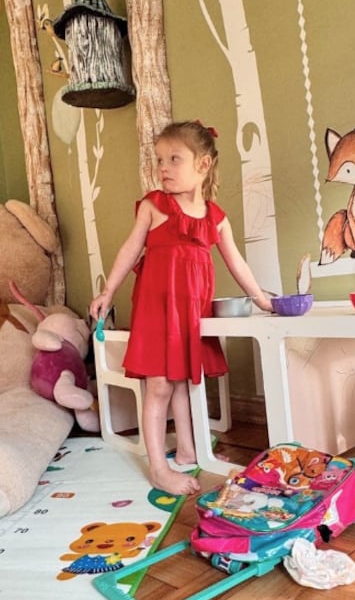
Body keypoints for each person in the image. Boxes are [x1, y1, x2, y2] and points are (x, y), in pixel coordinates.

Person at [90, 121, 274, 496]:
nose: (163, 168)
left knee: (184, 379)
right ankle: (159, 468)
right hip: (157, 307)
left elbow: (237, 263)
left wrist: (262, 299)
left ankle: (189, 449)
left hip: (191, 311)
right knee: (158, 384)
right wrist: (108, 291)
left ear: (203, 165)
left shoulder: (215, 218)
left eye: (174, 159)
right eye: (160, 160)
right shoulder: (154, 206)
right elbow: (129, 250)